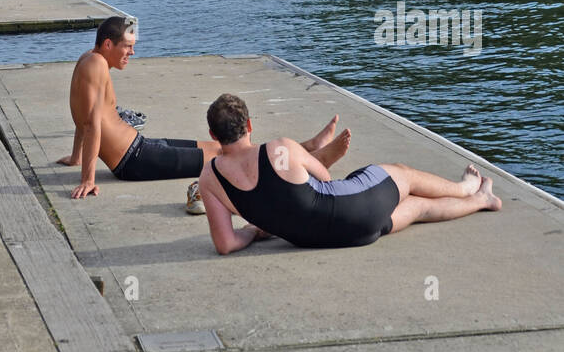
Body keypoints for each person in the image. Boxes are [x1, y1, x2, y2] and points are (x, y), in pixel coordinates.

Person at [57, 18, 352, 205]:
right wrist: (88, 178)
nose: (132, 53)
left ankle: (306, 148)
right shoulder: (96, 65)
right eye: (127, 47)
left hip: (141, 148)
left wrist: (76, 157)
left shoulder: (90, 60)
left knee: (224, 147)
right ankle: (314, 159)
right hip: (134, 161)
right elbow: (93, 123)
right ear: (108, 44)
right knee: (232, 156)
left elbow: (82, 119)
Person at [198, 93, 502, 255]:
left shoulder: (210, 179)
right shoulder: (279, 149)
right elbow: (324, 180)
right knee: (403, 175)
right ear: (250, 126)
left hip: (320, 238)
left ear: (213, 134)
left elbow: (225, 245)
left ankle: (482, 200)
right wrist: (311, 162)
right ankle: (466, 189)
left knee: (419, 207)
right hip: (353, 212)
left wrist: (252, 230)